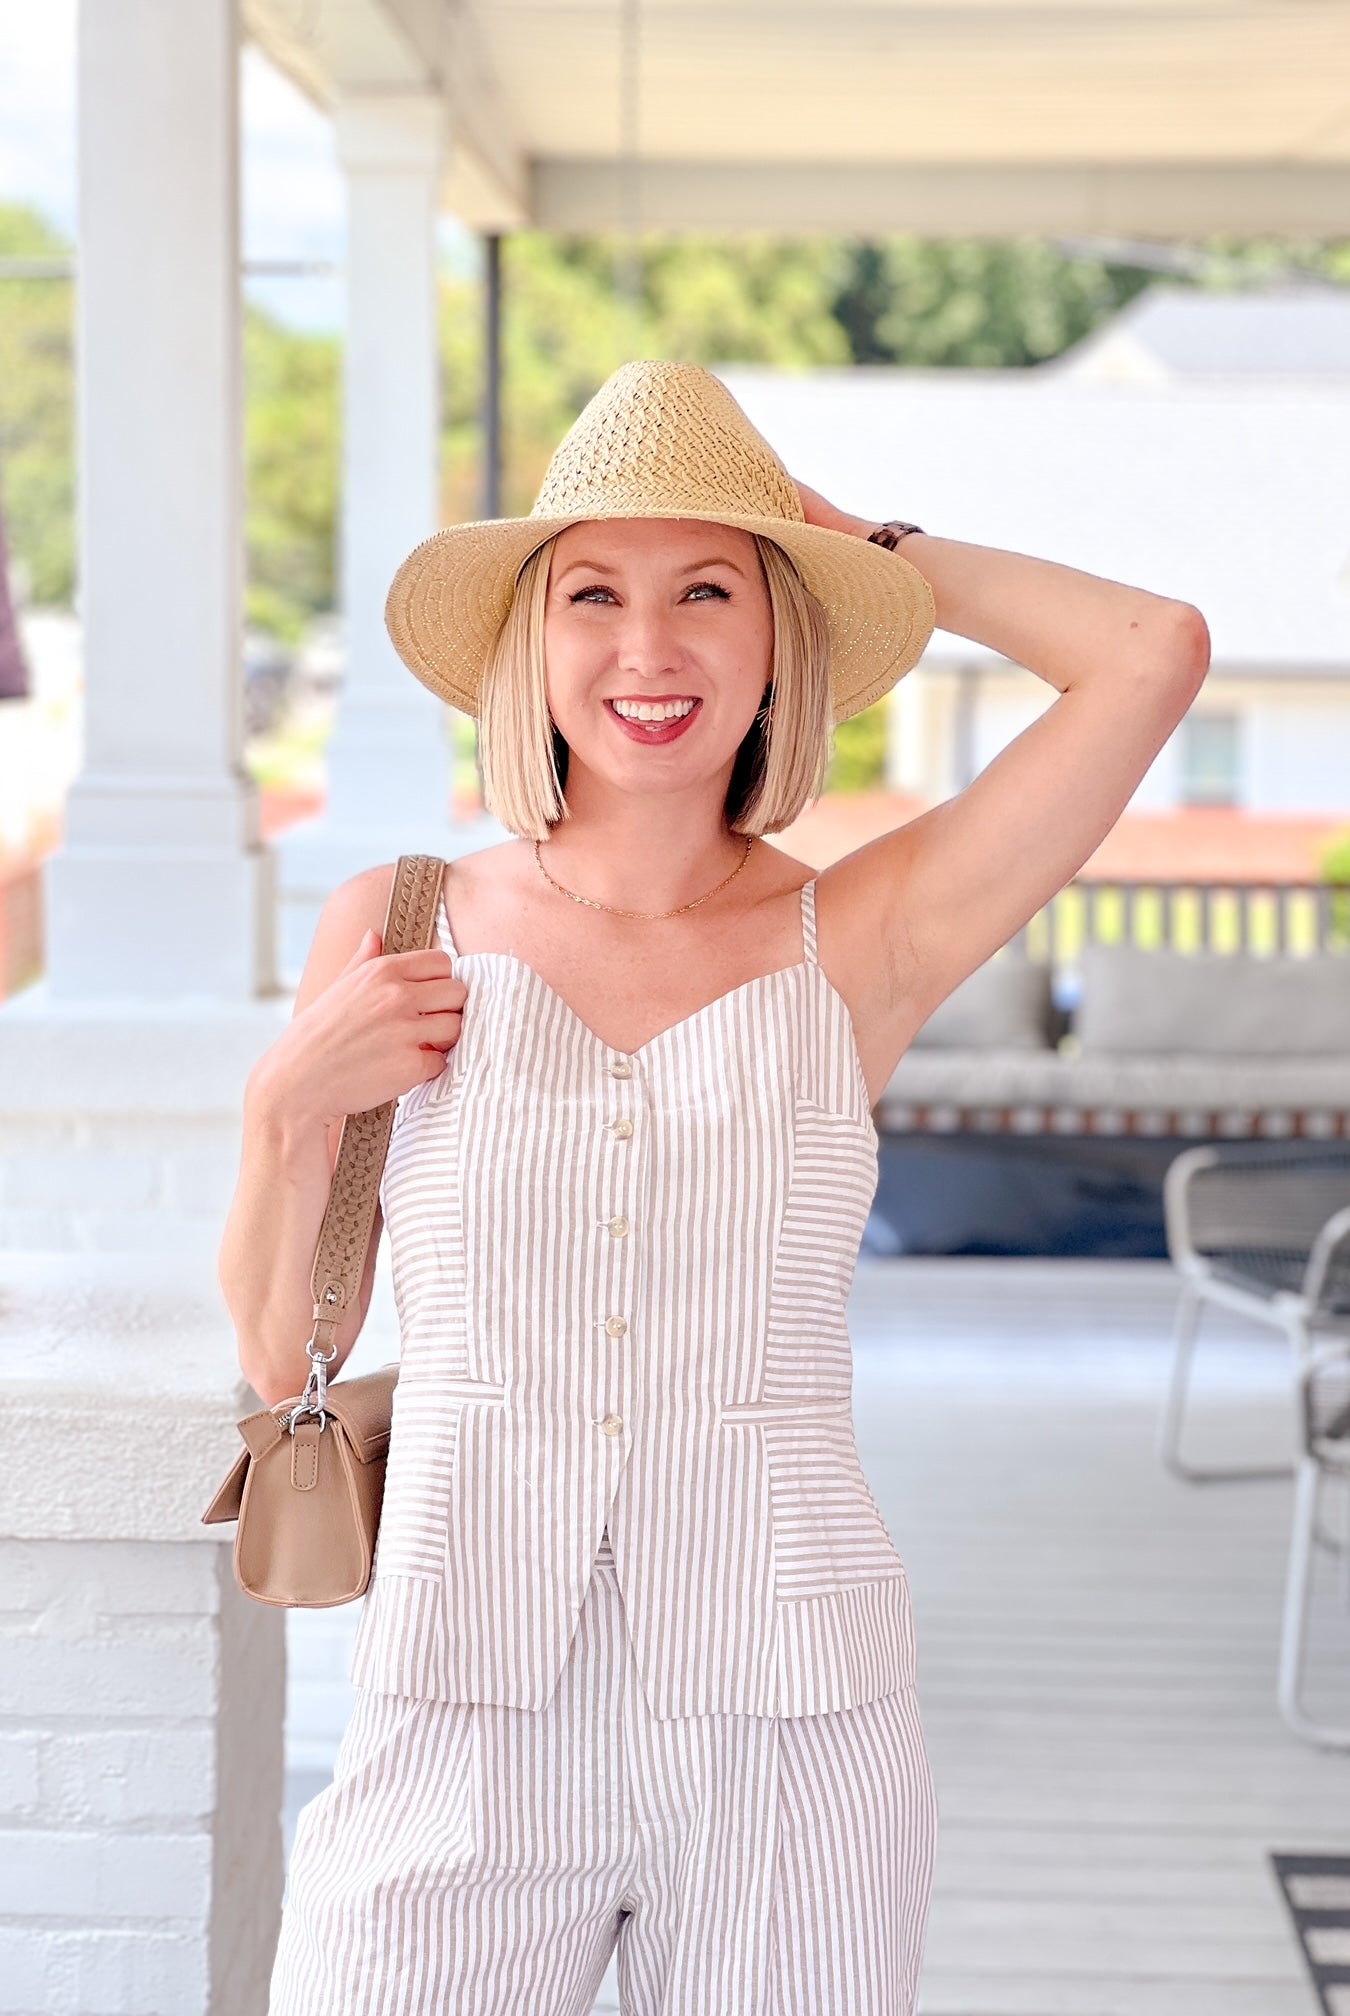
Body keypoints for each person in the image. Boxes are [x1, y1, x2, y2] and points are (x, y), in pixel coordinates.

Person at [219, 359, 1209, 2014]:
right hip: (458, 1705)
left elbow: (1147, 655)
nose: (647, 649)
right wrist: (281, 1106)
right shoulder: (398, 924)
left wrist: (873, 546)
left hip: (789, 1721)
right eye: (592, 595)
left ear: (776, 642)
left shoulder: (861, 937)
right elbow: (276, 1366)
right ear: (529, 644)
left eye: (708, 592)